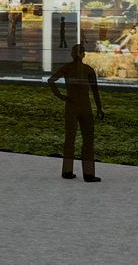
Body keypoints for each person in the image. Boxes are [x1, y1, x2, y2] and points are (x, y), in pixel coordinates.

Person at [48, 43, 106, 183]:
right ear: (83, 55)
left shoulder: (68, 68)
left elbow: (51, 81)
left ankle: (67, 171)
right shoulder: (88, 70)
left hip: (72, 106)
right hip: (85, 107)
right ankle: (88, 173)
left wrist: (62, 96)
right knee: (87, 140)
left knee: (70, 139)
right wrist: (99, 108)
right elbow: (95, 91)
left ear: (72, 54)